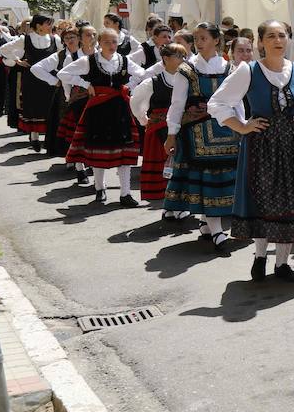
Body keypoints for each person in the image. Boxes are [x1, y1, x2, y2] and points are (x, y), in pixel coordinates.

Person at [208, 20, 294, 282]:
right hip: (261, 147)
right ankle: (259, 257)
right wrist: (242, 127)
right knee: (263, 201)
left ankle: (282, 264)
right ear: (261, 42)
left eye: (282, 35)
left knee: (291, 204)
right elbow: (218, 102)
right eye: (271, 36)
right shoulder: (249, 71)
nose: (278, 40)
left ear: (288, 39)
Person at [164, 23, 241, 253]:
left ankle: (209, 225)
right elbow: (176, 104)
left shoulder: (231, 68)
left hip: (226, 131)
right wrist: (171, 134)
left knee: (221, 181)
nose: (199, 42)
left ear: (217, 40)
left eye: (204, 37)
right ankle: (217, 230)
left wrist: (242, 127)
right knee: (206, 180)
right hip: (196, 135)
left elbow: (237, 102)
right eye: (196, 38)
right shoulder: (186, 69)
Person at [59, 27, 148, 206]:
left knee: (125, 152)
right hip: (97, 109)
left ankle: (125, 193)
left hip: (120, 109)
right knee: (98, 149)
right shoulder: (89, 60)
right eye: (107, 41)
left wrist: (129, 85)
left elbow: (142, 74)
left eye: (114, 41)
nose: (111, 45)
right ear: (99, 43)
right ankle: (100, 189)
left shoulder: (124, 60)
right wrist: (85, 83)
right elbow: (63, 74)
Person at [129, 43, 190, 211]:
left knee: (181, 166)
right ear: (166, 58)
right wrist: (143, 119)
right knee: (165, 168)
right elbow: (135, 101)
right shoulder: (153, 82)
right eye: (179, 56)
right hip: (159, 131)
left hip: (181, 128)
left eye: (184, 56)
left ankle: (179, 205)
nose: (183, 60)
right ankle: (169, 207)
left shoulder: (187, 79)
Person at [31, 24, 89, 178]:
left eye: (73, 37)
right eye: (66, 38)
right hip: (65, 96)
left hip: (87, 95)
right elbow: (36, 68)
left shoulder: (87, 54)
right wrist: (53, 80)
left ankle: (84, 160)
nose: (70, 40)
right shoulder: (60, 56)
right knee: (70, 128)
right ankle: (73, 159)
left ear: (79, 39)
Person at [0, 15, 61, 151]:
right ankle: (34, 137)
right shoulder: (25, 39)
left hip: (49, 78)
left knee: (48, 106)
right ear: (38, 25)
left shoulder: (54, 39)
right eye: (48, 24)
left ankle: (47, 138)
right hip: (31, 78)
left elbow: (62, 54)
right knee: (33, 106)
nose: (51, 27)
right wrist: (17, 60)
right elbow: (4, 49)